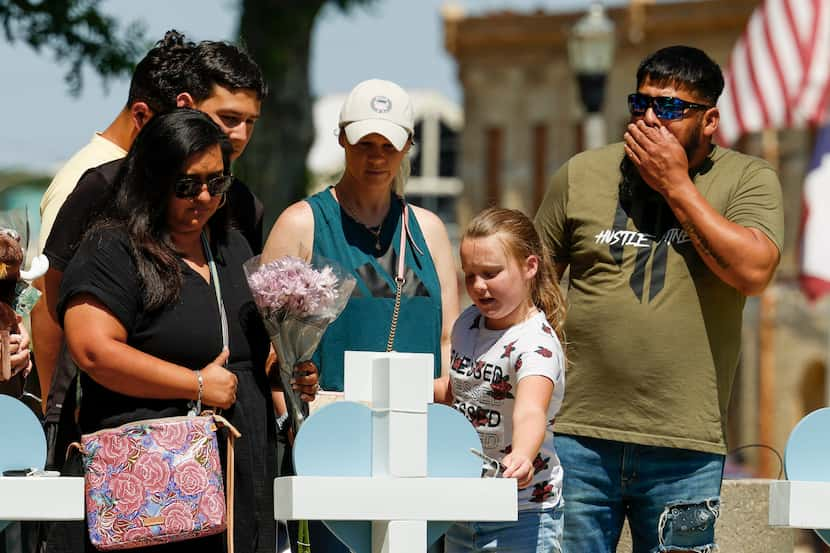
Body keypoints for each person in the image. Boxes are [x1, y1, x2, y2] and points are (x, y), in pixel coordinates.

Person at [534, 45, 784, 553]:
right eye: (640, 103)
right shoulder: (582, 174)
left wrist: (675, 185)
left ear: (709, 119)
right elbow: (532, 286)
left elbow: (754, 270)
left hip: (685, 447)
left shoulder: (747, 179)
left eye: (670, 108)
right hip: (578, 437)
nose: (650, 118)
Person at [58, 109, 315, 553]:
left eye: (217, 183)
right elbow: (94, 351)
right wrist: (195, 384)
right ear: (152, 179)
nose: (203, 197)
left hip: (242, 477)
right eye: (186, 185)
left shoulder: (232, 247)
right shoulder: (113, 247)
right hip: (155, 491)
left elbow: (247, 354)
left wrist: (285, 372)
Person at [34, 39, 267, 478]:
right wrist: (57, 408)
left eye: (215, 185)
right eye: (227, 119)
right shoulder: (103, 195)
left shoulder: (240, 214)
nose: (203, 197)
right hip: (141, 459)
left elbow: (248, 328)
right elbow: (54, 307)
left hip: (235, 453)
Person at [262, 78, 460, 552]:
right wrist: (300, 431)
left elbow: (450, 340)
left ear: (408, 145)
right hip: (333, 450)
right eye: (364, 143)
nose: (376, 157)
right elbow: (269, 352)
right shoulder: (302, 223)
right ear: (341, 138)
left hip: (419, 451)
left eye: (388, 145)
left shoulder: (427, 231)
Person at [32, 29, 195, 409]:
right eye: (175, 133)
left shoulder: (149, 183)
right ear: (141, 115)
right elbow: (46, 304)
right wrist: (52, 414)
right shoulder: (87, 182)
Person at [434, 207, 566, 553]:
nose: (478, 286)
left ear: (529, 267)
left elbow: (530, 411)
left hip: (522, 515)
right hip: (463, 508)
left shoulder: (535, 344)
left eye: (491, 273)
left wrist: (522, 454)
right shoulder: (467, 323)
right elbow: (458, 389)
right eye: (470, 275)